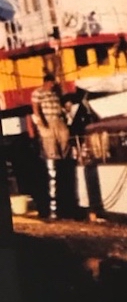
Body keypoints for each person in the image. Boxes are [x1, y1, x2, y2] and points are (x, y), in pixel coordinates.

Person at [31, 72, 70, 219]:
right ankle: (54, 162)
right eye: (51, 83)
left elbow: (62, 105)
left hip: (58, 120)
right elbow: (35, 107)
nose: (53, 85)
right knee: (51, 150)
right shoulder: (38, 93)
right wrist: (41, 122)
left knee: (64, 140)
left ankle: (63, 161)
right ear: (47, 82)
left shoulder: (55, 94)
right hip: (47, 121)